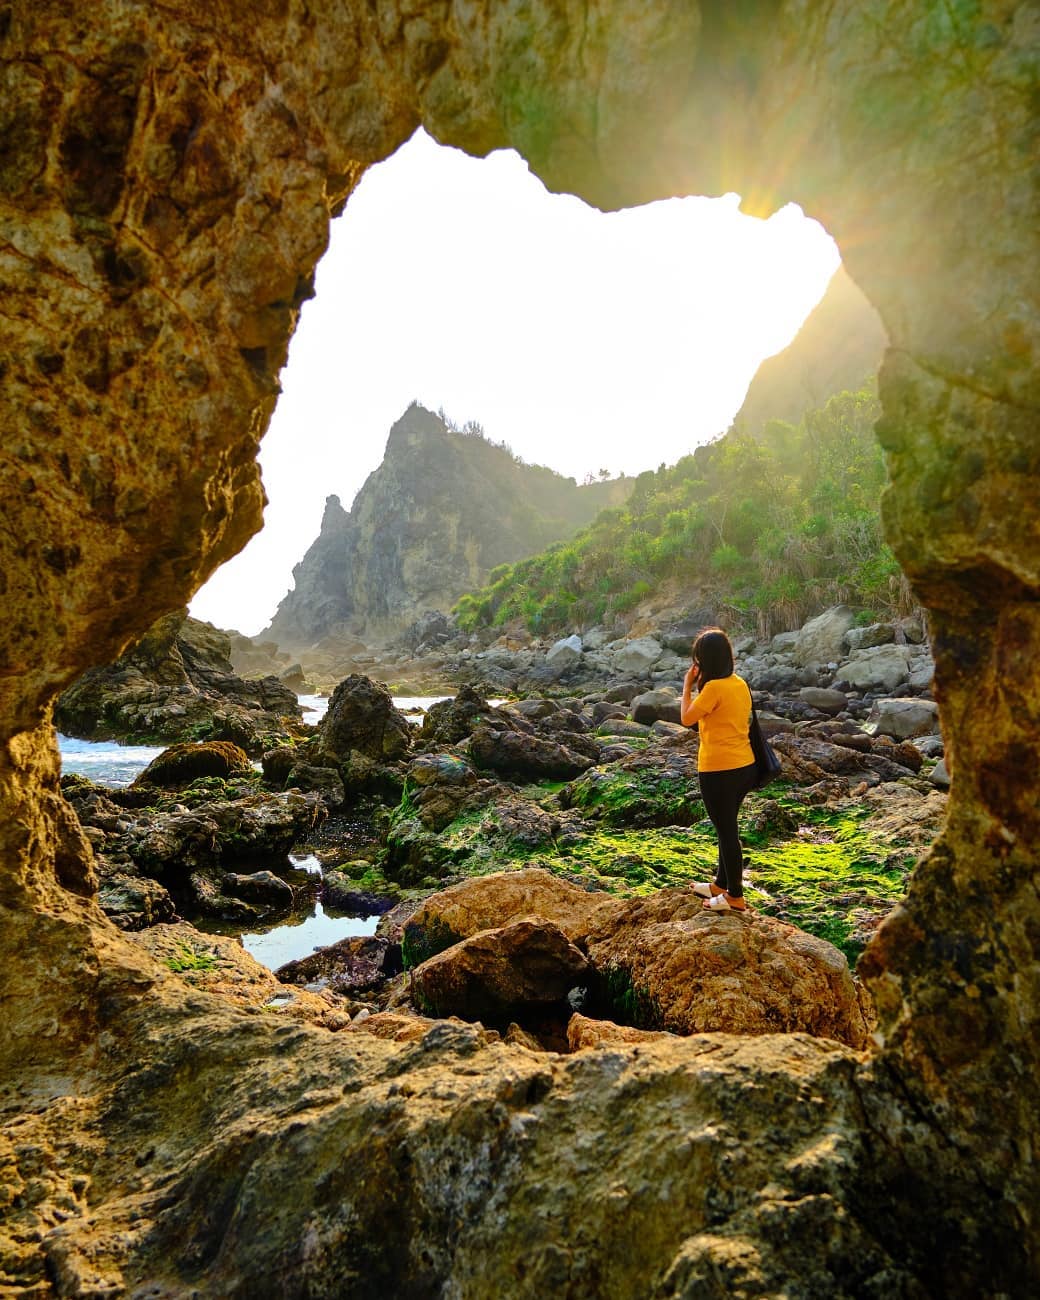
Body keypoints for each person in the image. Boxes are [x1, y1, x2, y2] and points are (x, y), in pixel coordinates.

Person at [680, 627, 756, 912]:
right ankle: (720, 885)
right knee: (727, 826)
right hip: (744, 765)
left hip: (719, 769)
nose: (695, 664)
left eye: (698, 659)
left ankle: (735, 897)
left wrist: (687, 685)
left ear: (706, 661)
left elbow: (687, 718)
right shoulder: (739, 683)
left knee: (726, 831)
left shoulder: (713, 688)